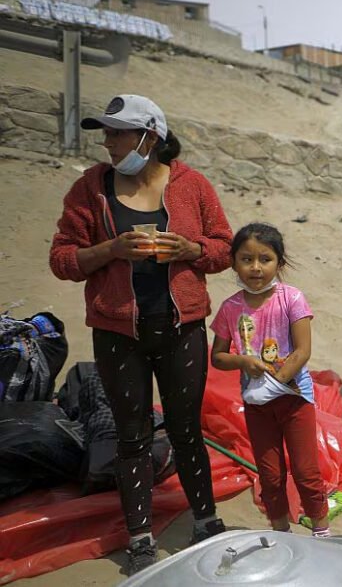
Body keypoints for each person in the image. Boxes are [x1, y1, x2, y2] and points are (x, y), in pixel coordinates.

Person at [49, 94, 232, 574]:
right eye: (105, 133)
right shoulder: (90, 188)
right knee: (131, 435)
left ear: (150, 137)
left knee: (187, 428)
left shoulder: (193, 186)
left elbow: (224, 249)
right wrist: (111, 248)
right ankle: (141, 537)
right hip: (117, 333)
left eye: (117, 133)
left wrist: (189, 249)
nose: (107, 143)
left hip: (181, 328)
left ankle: (207, 522)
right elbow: (63, 258)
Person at [209, 223, 331, 538]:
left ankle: (320, 528)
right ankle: (281, 533)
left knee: (306, 472)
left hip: (294, 401)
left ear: (279, 263)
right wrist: (242, 362)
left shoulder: (291, 298)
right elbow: (218, 357)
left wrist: (276, 381)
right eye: (246, 259)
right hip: (257, 407)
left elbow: (302, 351)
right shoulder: (230, 308)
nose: (256, 267)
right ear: (233, 263)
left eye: (265, 259)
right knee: (270, 475)